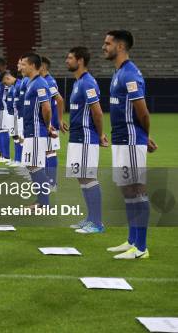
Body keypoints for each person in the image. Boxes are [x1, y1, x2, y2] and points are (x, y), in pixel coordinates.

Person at [103, 30, 156, 259]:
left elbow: (143, 112)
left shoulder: (130, 74)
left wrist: (144, 137)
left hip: (132, 140)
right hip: (121, 139)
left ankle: (141, 248)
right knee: (126, 189)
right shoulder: (118, 72)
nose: (104, 47)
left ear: (121, 46)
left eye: (108, 43)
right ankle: (132, 240)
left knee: (137, 189)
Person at [64, 46, 108, 234]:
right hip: (76, 137)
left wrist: (100, 135)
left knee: (89, 177)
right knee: (82, 178)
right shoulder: (78, 82)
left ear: (80, 60)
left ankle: (97, 223)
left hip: (85, 137)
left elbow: (97, 112)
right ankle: (90, 218)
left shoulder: (88, 82)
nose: (67, 60)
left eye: (70, 57)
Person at [20, 53, 57, 207]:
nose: (21, 67)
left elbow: (47, 107)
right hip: (30, 131)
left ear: (33, 66)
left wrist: (47, 125)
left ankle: (44, 203)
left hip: (36, 131)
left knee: (35, 165)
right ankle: (41, 201)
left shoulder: (40, 83)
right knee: (31, 165)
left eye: (24, 64)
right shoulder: (31, 82)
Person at [40, 57, 64, 190]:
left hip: (51, 123)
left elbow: (59, 100)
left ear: (42, 67)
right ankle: (47, 180)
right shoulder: (44, 81)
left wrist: (59, 120)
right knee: (46, 151)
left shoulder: (50, 81)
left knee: (50, 152)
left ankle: (52, 182)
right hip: (46, 122)